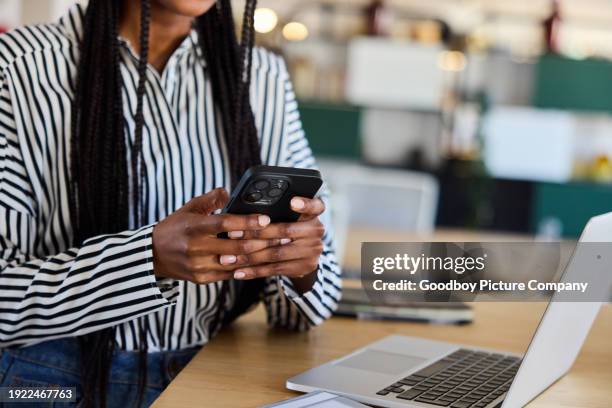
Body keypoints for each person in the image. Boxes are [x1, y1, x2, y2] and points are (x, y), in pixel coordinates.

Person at [0, 0, 341, 406]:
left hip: (211, 376)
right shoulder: (18, 69)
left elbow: (310, 308)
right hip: (49, 382)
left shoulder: (262, 76)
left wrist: (299, 264)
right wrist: (148, 260)